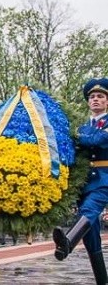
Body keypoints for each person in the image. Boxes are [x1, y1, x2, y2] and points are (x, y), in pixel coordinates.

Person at [53, 78, 108, 285]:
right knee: (91, 235)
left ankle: (67, 242)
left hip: (105, 177)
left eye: (100, 96)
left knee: (89, 210)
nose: (95, 100)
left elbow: (98, 141)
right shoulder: (84, 126)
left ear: (107, 102)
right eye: (92, 97)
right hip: (85, 181)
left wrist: (80, 137)